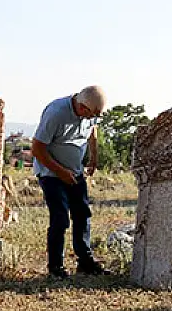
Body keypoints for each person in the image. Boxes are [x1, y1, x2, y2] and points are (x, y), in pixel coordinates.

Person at [31, 85, 112, 278]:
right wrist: (60, 172)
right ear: (82, 107)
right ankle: (55, 267)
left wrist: (93, 158)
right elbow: (37, 149)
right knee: (60, 218)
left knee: (82, 214)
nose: (92, 118)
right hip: (51, 173)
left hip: (75, 173)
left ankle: (85, 262)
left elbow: (92, 131)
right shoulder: (56, 113)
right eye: (91, 114)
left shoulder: (90, 116)